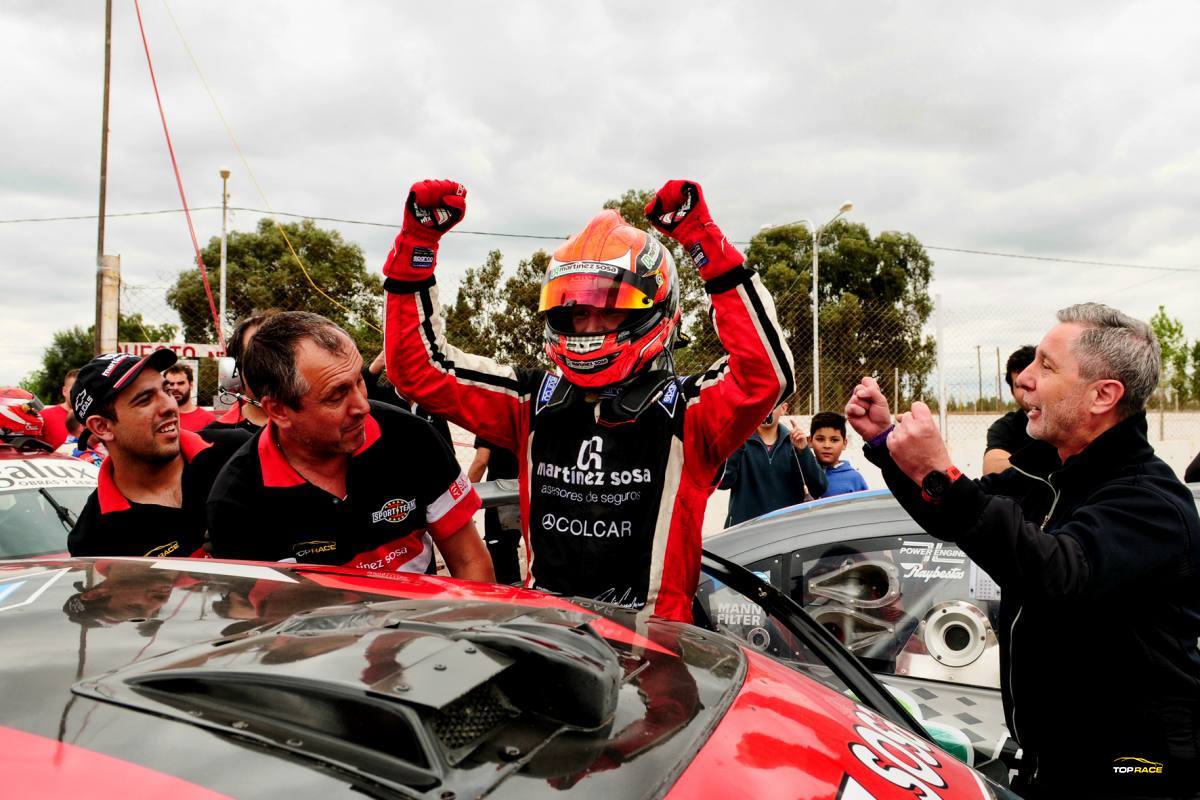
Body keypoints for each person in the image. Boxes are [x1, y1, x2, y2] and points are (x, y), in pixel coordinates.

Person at [383, 178, 794, 621]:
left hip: (655, 649)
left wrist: (704, 243)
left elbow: (766, 375)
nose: (590, 326)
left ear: (652, 309)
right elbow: (419, 371)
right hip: (550, 638)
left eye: (610, 307)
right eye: (579, 311)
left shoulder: (690, 412)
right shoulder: (530, 401)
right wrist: (417, 245)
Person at [845, 303, 1200, 799]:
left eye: (1046, 366)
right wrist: (888, 444)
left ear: (1103, 395)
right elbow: (961, 516)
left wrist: (941, 471)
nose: (1025, 379)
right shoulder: (1054, 474)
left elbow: (1057, 574)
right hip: (1054, 763)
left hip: (1134, 773)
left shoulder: (1151, 503)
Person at [208, 311, 495, 582]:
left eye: (359, 380)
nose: (362, 405)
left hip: (421, 629)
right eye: (337, 395)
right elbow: (260, 621)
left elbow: (470, 561)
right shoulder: (236, 499)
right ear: (279, 410)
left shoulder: (411, 436)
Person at [67, 351, 249, 558]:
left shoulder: (238, 452)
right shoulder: (93, 540)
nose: (169, 406)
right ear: (102, 426)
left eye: (167, 391)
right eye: (145, 400)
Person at [719, 402, 826, 526]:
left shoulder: (794, 443)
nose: (767, 408)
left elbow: (819, 487)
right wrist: (736, 443)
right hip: (745, 531)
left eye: (773, 403)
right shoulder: (740, 441)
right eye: (763, 402)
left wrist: (803, 450)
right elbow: (723, 483)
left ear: (784, 408)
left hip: (784, 531)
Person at [983, 345, 1056, 475]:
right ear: (1012, 391)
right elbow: (993, 469)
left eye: (1034, 381)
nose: (1029, 389)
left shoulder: (1068, 418)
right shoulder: (1006, 427)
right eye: (1021, 385)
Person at [467, 435, 522, 584]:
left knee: (502, 554)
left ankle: (511, 601)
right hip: (529, 491)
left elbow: (481, 462)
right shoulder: (528, 414)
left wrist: (462, 499)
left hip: (502, 498)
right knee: (511, 550)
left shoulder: (491, 421)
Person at [206, 312, 272, 433]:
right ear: (235, 371)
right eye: (256, 355)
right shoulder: (215, 438)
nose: (271, 365)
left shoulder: (313, 424)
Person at [809, 411, 869, 496]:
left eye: (834, 440)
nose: (827, 445)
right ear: (810, 441)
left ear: (844, 443)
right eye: (820, 439)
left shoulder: (854, 479)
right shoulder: (803, 473)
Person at [164, 362, 215, 431]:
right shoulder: (158, 417)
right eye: (171, 384)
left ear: (191, 385)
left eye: (181, 383)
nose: (175, 387)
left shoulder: (208, 420)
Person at [40, 368, 78, 449]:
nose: (79, 393)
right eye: (75, 389)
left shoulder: (93, 419)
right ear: (64, 391)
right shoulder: (44, 416)